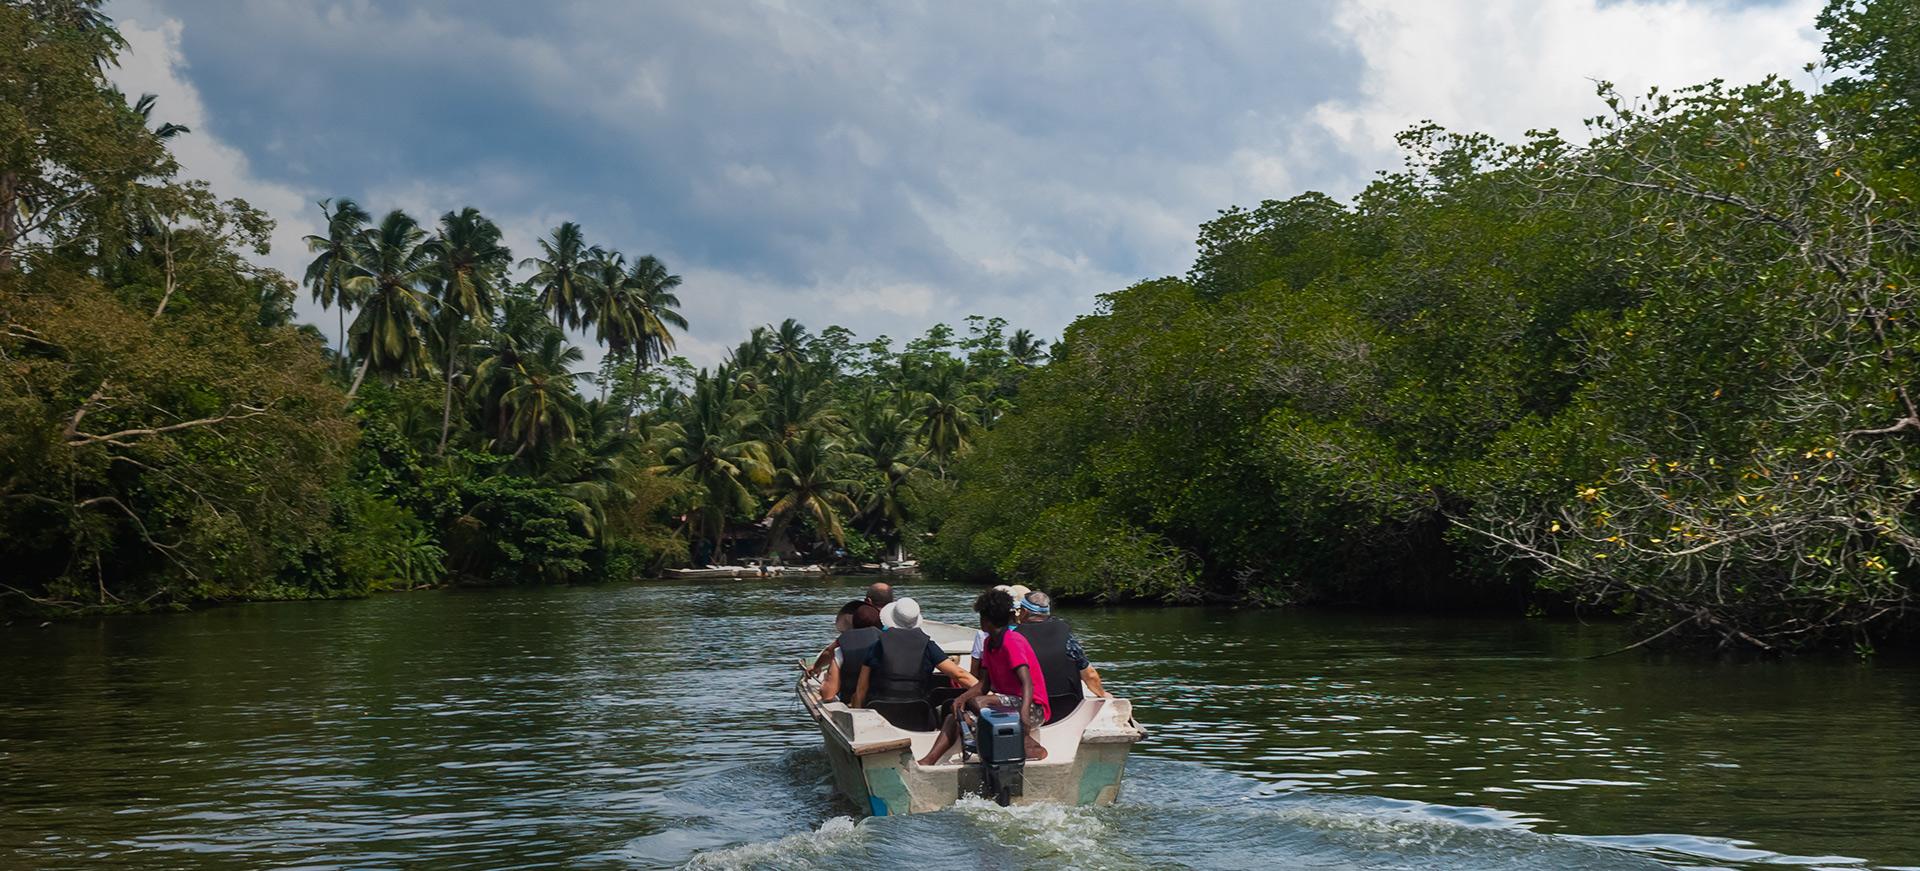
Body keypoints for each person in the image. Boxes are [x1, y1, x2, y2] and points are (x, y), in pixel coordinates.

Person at [918, 589, 1048, 766]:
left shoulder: (1012, 641)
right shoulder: (989, 643)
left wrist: (1024, 717)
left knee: (978, 703)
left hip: (1032, 707)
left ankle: (1026, 742)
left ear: (985, 621)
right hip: (1007, 706)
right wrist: (961, 698)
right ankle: (929, 760)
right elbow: (984, 684)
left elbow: (1028, 683)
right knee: (954, 717)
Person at [851, 598, 975, 722]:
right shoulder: (928, 646)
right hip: (918, 715)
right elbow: (959, 675)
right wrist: (987, 692)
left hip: (881, 714)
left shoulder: (877, 646)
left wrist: (858, 717)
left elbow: (861, 688)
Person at [1014, 591, 1108, 722]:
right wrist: (1102, 694)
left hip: (1034, 709)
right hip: (1068, 708)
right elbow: (1090, 674)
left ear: (1024, 611)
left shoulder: (1015, 637)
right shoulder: (1064, 632)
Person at [815, 601, 883, 703]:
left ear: (854, 623)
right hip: (884, 703)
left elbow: (828, 695)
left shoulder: (841, 649)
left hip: (851, 706)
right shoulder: (888, 644)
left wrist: (824, 683)